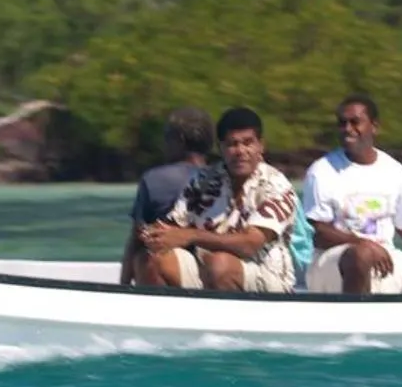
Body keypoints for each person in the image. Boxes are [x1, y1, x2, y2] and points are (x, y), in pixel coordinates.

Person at [300, 95, 402, 294]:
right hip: (331, 263)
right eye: (342, 123)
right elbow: (317, 234)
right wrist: (362, 244)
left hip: (385, 258)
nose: (348, 129)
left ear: (374, 126)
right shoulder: (322, 171)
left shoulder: (395, 171)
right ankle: (357, 321)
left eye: (355, 122)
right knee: (362, 255)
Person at [133, 106, 298, 293]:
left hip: (268, 278)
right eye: (231, 144)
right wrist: (154, 235)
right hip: (208, 269)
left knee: (220, 264)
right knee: (151, 259)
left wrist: (191, 236)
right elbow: (174, 226)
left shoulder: (276, 186)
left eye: (248, 143)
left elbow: (249, 245)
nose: (240, 151)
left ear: (261, 146)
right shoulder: (204, 180)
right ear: (220, 148)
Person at [119, 107, 213, 285]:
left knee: (145, 257)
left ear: (180, 141)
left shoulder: (155, 179)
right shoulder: (224, 178)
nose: (164, 144)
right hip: (214, 274)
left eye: (167, 137)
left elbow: (136, 239)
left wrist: (122, 288)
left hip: (173, 273)